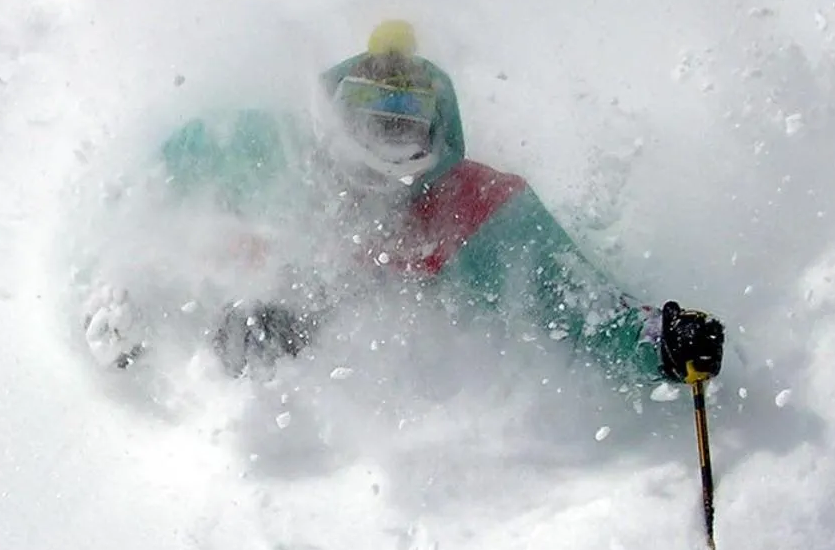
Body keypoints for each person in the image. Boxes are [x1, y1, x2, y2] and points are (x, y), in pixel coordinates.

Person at [82, 20, 725, 390]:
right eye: (371, 118)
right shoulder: (277, 150)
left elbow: (573, 298)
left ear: (437, 131)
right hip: (287, 293)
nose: (387, 143)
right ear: (336, 112)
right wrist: (120, 275)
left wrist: (660, 341)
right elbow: (163, 175)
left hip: (368, 338)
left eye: (406, 122)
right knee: (257, 313)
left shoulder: (470, 206)